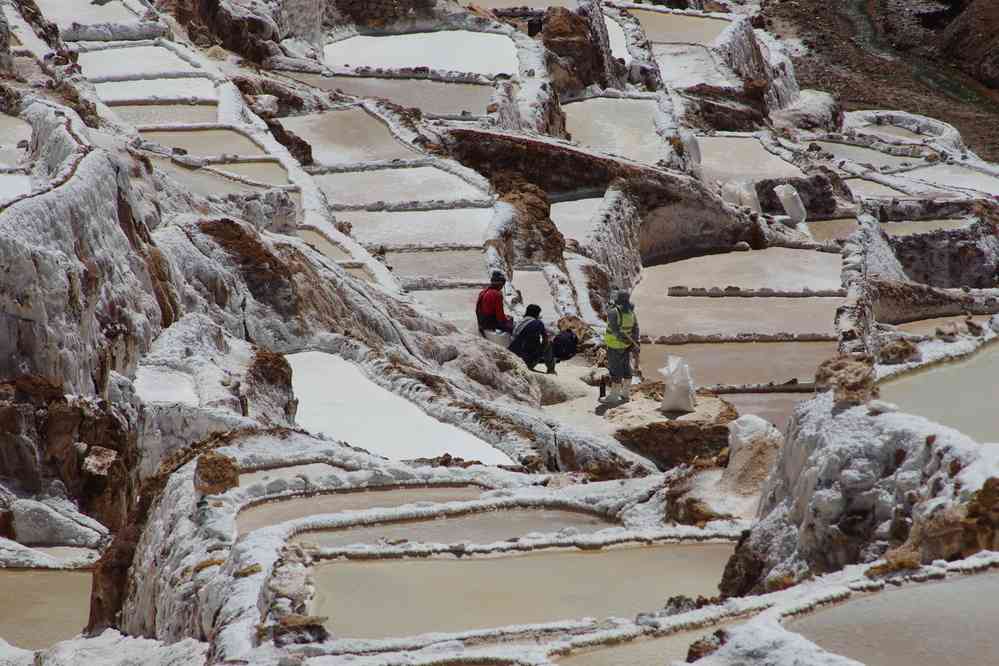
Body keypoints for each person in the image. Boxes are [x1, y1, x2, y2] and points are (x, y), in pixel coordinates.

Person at [602, 289, 640, 403]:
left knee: (615, 369)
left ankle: (614, 397)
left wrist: (623, 340)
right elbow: (636, 329)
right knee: (626, 367)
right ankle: (625, 394)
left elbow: (615, 330)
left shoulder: (614, 312)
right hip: (627, 346)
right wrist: (632, 342)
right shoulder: (631, 313)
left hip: (615, 345)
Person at [509, 304, 556, 374]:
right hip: (526, 362)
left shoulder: (519, 322)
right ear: (536, 314)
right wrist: (540, 350)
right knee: (548, 345)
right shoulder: (538, 323)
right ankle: (551, 369)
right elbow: (545, 339)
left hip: (513, 357)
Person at [475, 271, 513, 337]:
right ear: (501, 284)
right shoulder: (497, 294)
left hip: (481, 321)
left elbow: (477, 309)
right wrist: (507, 321)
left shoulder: (483, 292)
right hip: (489, 322)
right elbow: (500, 315)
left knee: (508, 318)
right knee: (512, 327)